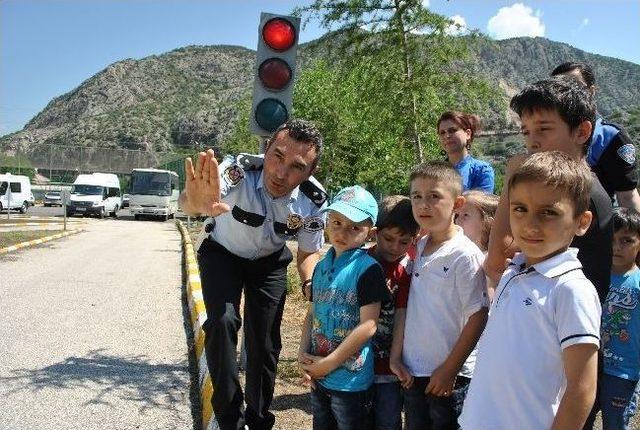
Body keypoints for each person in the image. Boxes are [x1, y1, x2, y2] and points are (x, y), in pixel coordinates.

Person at [179, 119, 328, 430]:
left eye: (297, 166)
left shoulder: (311, 201)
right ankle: (229, 417)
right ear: (266, 150)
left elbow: (308, 252)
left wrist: (310, 282)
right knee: (222, 323)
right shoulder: (237, 173)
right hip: (222, 254)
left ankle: (259, 420)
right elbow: (195, 200)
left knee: (265, 341)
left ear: (310, 173)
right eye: (277, 156)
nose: (280, 172)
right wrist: (193, 202)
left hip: (269, 263)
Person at [461, 151, 601, 429]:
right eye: (520, 209)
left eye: (548, 212)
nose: (530, 224)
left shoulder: (571, 289)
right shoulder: (514, 270)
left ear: (581, 222)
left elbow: (582, 389)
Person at [485, 76, 614, 303]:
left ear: (582, 132)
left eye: (543, 129)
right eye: (526, 132)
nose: (532, 142)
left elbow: (496, 262)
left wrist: (511, 180)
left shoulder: (580, 196)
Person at [390, 161, 488, 430]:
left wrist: (449, 370)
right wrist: (397, 358)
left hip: (448, 378)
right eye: (417, 196)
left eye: (434, 196)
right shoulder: (418, 246)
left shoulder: (464, 254)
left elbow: (478, 315)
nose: (424, 205)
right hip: (413, 372)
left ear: (457, 204)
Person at [298, 185, 389, 430]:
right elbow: (313, 312)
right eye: (336, 222)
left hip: (351, 382)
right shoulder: (320, 266)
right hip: (320, 374)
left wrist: (328, 363)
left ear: (371, 233)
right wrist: (302, 353)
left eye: (354, 227)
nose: (342, 231)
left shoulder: (368, 269)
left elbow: (369, 326)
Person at [551, 61, 640, 210]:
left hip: (598, 227)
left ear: (591, 91)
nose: (567, 93)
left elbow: (627, 197)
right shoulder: (544, 134)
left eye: (575, 85)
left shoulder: (609, 137)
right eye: (559, 88)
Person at [367, 196, 419, 430]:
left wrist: (394, 359)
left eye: (404, 242)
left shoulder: (407, 270)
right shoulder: (360, 262)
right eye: (388, 239)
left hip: (388, 368)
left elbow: (401, 316)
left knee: (388, 421)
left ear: (414, 240)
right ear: (375, 232)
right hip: (355, 365)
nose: (394, 247)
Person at [588, 207, 640, 429]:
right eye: (613, 239)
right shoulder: (593, 276)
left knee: (615, 422)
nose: (617, 247)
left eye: (627, 240)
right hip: (590, 364)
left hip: (623, 372)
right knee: (583, 418)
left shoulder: (637, 284)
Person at [437, 111, 495, 193]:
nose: (447, 136)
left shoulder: (481, 170)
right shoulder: (434, 172)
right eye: (442, 133)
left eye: (452, 130)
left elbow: (480, 204)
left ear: (468, 134)